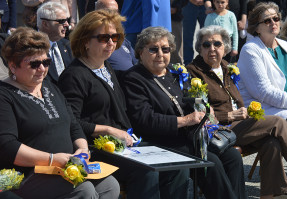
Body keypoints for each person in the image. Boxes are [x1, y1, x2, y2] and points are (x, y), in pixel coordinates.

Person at [58, 9, 186, 199]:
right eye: (103, 37)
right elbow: (72, 123)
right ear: (85, 41)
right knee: (147, 172)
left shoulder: (106, 67)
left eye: (114, 36)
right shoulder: (74, 75)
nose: (111, 42)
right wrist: (108, 130)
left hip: (125, 144)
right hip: (97, 149)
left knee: (177, 167)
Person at [121, 26, 246, 199]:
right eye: (153, 49)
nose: (160, 54)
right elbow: (144, 120)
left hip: (188, 137)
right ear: (140, 52)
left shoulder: (174, 72)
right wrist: (185, 120)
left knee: (232, 156)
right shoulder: (134, 79)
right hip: (161, 140)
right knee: (211, 162)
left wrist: (204, 107)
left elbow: (192, 99)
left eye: (165, 49)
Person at [0, 27, 119, 199]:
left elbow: (73, 125)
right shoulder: (4, 95)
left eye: (46, 62)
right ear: (13, 66)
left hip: (63, 168)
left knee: (109, 185)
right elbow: (7, 146)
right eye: (34, 64)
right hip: (22, 174)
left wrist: (82, 151)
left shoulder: (50, 87)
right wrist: (52, 159)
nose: (42, 69)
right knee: (83, 190)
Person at [187, 25, 287, 199]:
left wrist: (245, 111)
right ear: (199, 49)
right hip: (218, 131)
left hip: (239, 125)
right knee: (277, 123)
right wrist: (230, 115)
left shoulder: (227, 67)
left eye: (217, 44)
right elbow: (199, 113)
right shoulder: (193, 72)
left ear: (225, 47)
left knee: (271, 142)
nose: (212, 49)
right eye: (206, 45)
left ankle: (273, 195)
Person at [238, 2, 287, 136]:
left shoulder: (284, 45)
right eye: (267, 21)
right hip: (271, 112)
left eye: (276, 18)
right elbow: (264, 91)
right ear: (257, 28)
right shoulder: (250, 50)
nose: (273, 22)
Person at [95, 0, 137, 77]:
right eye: (109, 11)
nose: (114, 15)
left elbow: (137, 63)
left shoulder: (123, 40)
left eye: (116, 12)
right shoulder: (94, 39)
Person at [37, 2, 73, 83]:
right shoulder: (32, 47)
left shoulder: (67, 45)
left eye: (67, 20)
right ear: (45, 24)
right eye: (61, 21)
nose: (67, 24)